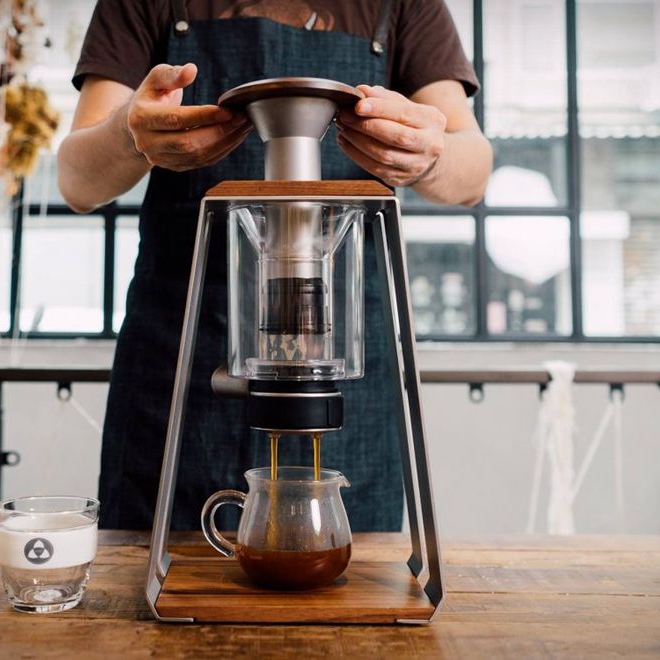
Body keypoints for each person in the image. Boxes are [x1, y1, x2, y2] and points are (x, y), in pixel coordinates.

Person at [58, 0, 492, 531]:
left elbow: (473, 172)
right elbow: (77, 182)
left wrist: (430, 152)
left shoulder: (403, 5)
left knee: (350, 582)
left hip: (343, 352)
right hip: (182, 355)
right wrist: (132, 133)